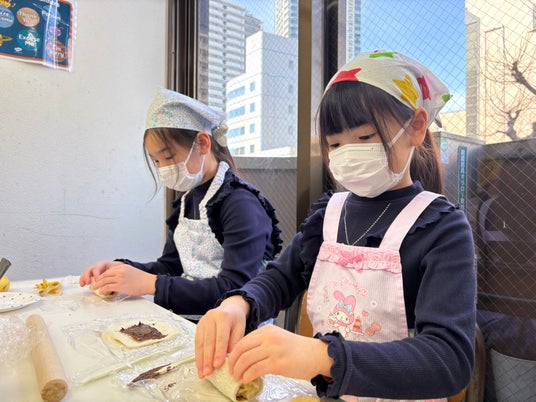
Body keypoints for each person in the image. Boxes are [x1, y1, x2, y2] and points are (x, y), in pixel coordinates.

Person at [195, 50, 476, 400]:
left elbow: (448, 359)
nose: (348, 153)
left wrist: (323, 356)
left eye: (365, 137)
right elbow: (281, 277)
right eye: (335, 144)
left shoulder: (441, 228)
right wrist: (239, 304)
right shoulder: (329, 213)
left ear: (416, 127)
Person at [80, 88, 282, 320]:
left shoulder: (241, 204)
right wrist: (120, 271)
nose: (164, 168)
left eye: (168, 157)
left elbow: (234, 289)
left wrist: (151, 284)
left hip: (234, 329)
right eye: (157, 161)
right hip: (188, 320)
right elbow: (170, 266)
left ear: (203, 143)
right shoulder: (187, 201)